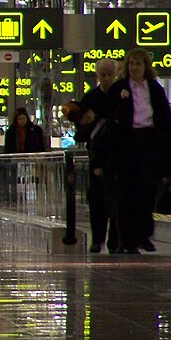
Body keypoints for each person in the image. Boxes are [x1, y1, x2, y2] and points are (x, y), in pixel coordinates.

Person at [105, 48, 171, 254]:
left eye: (138, 64)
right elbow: (108, 116)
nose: (135, 68)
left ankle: (143, 234)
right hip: (126, 144)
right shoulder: (119, 88)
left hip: (149, 141)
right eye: (131, 64)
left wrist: (168, 150)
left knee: (146, 190)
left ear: (145, 66)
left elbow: (164, 120)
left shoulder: (154, 88)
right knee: (126, 192)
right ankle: (127, 241)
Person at [67, 57, 119, 254]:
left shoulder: (122, 96)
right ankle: (98, 239)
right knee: (97, 200)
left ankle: (116, 240)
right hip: (97, 155)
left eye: (109, 75)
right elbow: (80, 131)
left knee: (117, 200)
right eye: (102, 75)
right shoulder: (90, 98)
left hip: (117, 155)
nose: (106, 79)